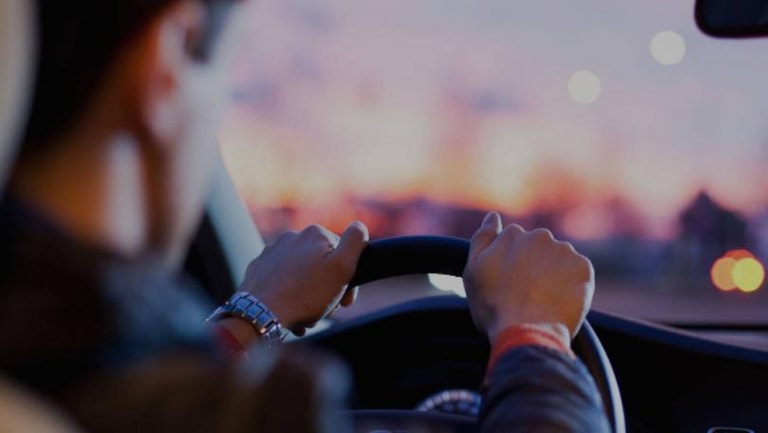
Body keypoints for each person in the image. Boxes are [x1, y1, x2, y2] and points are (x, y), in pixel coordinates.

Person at [0, 0, 610, 432]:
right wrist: (536, 337)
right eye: (225, 83)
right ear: (166, 63)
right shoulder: (260, 416)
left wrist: (251, 314)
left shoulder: (46, 360)